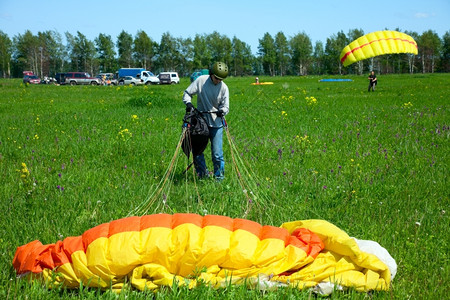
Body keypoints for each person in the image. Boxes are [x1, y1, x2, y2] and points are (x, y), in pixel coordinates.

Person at [183, 62, 229, 180]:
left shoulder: (224, 88)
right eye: (216, 78)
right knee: (197, 153)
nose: (218, 81)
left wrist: (222, 111)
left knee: (217, 154)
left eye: (221, 79)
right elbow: (187, 93)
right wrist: (188, 103)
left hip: (216, 124)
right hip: (200, 124)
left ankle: (219, 178)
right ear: (211, 74)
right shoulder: (201, 81)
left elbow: (226, 106)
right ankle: (202, 175)